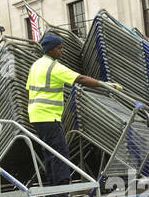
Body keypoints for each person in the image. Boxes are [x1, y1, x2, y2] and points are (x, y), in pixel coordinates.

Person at [26, 33, 120, 188]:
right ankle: (62, 189)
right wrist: (107, 85)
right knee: (59, 153)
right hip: (49, 116)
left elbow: (28, 90)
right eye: (59, 48)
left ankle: (53, 189)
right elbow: (81, 79)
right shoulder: (54, 67)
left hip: (36, 116)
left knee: (49, 153)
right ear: (50, 50)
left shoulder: (36, 65)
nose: (61, 51)